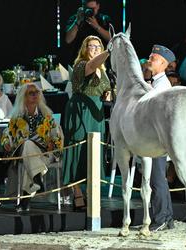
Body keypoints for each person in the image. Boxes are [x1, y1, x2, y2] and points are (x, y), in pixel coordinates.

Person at [62, 35, 111, 208]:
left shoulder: (104, 71)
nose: (95, 49)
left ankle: (93, 192)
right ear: (85, 48)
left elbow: (105, 89)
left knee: (94, 151)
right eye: (91, 46)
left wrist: (108, 94)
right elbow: (91, 66)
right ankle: (77, 193)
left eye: (98, 46)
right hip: (80, 111)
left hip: (96, 111)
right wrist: (108, 50)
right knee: (78, 149)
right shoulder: (81, 65)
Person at [1, 83, 63, 212]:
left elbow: (57, 135)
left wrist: (54, 143)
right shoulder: (16, 118)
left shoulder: (46, 115)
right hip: (25, 154)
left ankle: (27, 197)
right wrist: (6, 142)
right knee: (28, 145)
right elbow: (7, 133)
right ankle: (36, 181)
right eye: (31, 93)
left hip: (45, 154)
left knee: (29, 153)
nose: (35, 95)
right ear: (23, 97)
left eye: (37, 92)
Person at [147, 45, 175, 231]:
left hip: (158, 138)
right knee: (158, 178)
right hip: (154, 137)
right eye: (149, 56)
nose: (149, 60)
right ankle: (168, 217)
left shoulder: (162, 85)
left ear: (163, 64)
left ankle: (161, 218)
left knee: (156, 178)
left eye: (154, 58)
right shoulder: (154, 82)